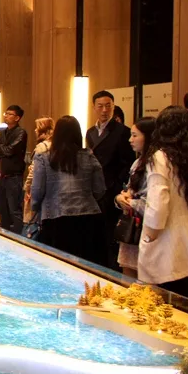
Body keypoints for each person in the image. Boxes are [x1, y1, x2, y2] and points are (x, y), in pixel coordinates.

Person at [138, 106, 188, 301]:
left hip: (170, 253)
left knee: (164, 311)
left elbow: (158, 205)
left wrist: (149, 237)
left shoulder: (160, 157)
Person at [31, 116, 106, 264]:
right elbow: (100, 189)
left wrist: (35, 208)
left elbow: (37, 190)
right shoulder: (89, 156)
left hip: (54, 217)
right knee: (86, 266)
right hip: (88, 216)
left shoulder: (44, 158)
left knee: (57, 266)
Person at [85, 91, 135, 268]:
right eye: (100, 106)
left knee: (110, 233)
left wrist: (115, 184)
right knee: (95, 232)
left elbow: (128, 163)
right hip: (93, 190)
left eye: (108, 106)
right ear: (94, 108)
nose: (104, 110)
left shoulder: (123, 131)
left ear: (113, 107)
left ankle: (110, 269)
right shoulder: (90, 132)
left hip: (111, 190)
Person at [114, 117, 156, 277]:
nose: (130, 140)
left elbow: (152, 204)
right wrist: (120, 199)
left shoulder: (156, 164)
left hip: (148, 230)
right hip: (131, 227)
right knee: (128, 275)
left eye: (135, 135)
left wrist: (129, 201)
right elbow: (128, 191)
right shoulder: (137, 162)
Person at [0, 104, 28, 233]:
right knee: (2, 210)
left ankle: (18, 238)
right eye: (5, 113)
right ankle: (5, 235)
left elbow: (10, 150)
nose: (6, 116)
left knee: (14, 210)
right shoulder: (2, 132)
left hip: (13, 177)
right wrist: (3, 149)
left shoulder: (21, 133)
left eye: (9, 114)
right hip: (0, 176)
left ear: (17, 118)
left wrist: (1, 148)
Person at [22, 117, 55, 238]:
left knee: (32, 222)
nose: (35, 131)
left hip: (37, 188)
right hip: (51, 191)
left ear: (43, 130)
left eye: (37, 128)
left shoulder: (41, 147)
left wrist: (27, 187)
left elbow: (34, 171)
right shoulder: (55, 145)